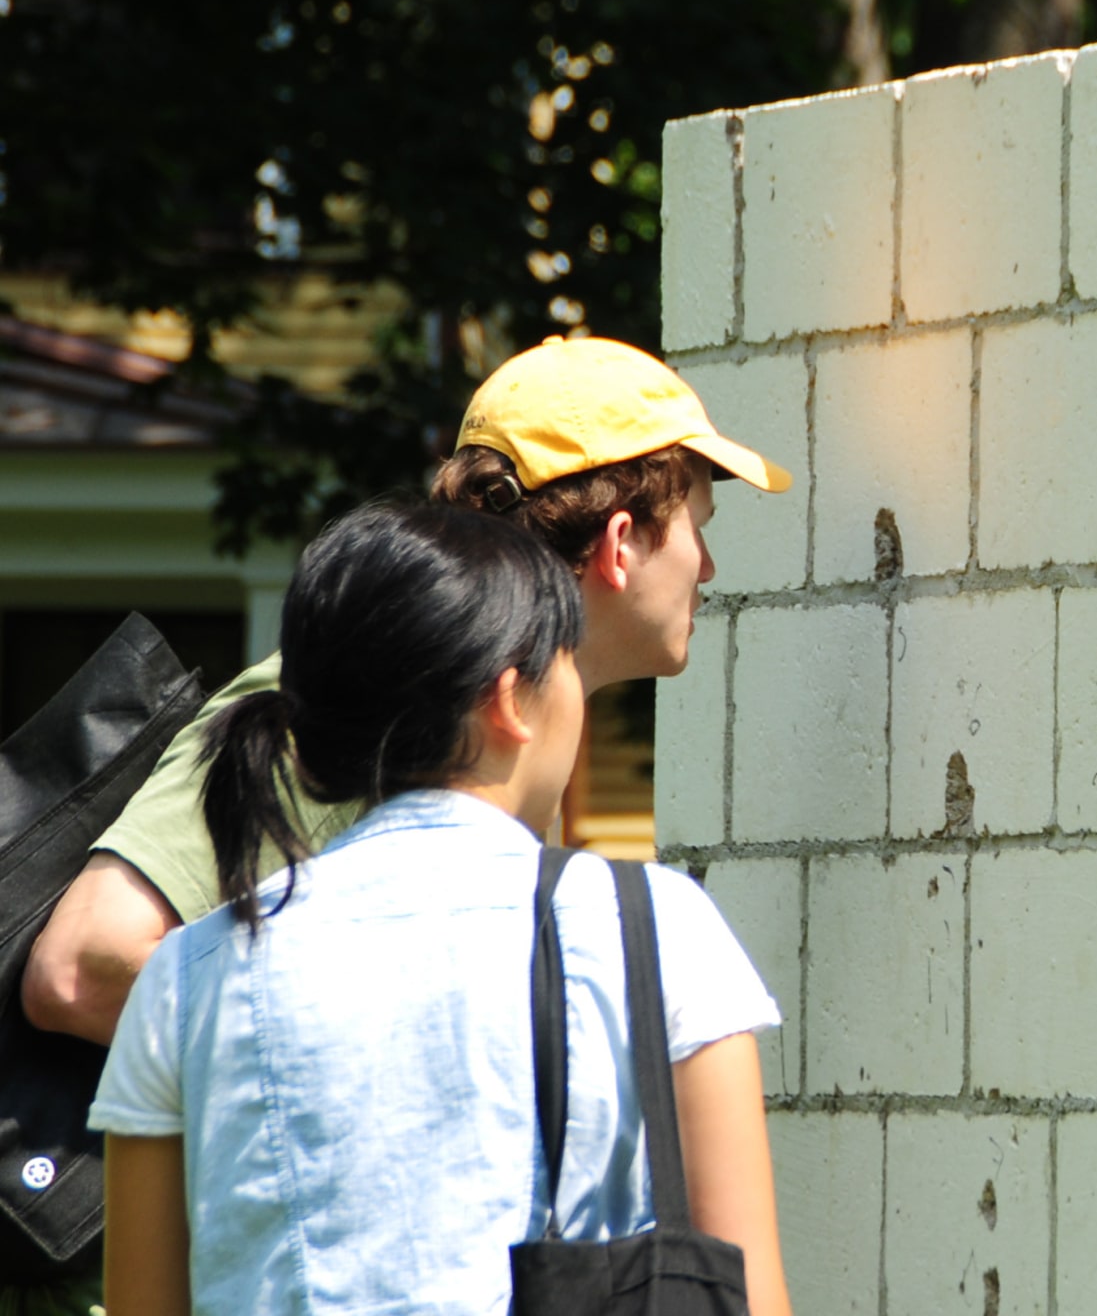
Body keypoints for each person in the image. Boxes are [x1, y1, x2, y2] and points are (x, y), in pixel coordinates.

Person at [88, 501, 792, 1315]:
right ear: (508, 701)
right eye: (562, 658)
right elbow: (751, 1294)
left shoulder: (185, 977)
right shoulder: (654, 926)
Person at [23, 335, 789, 1047]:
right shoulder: (363, 685)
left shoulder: (501, 720)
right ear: (622, 544)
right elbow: (82, 968)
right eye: (698, 526)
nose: (710, 568)